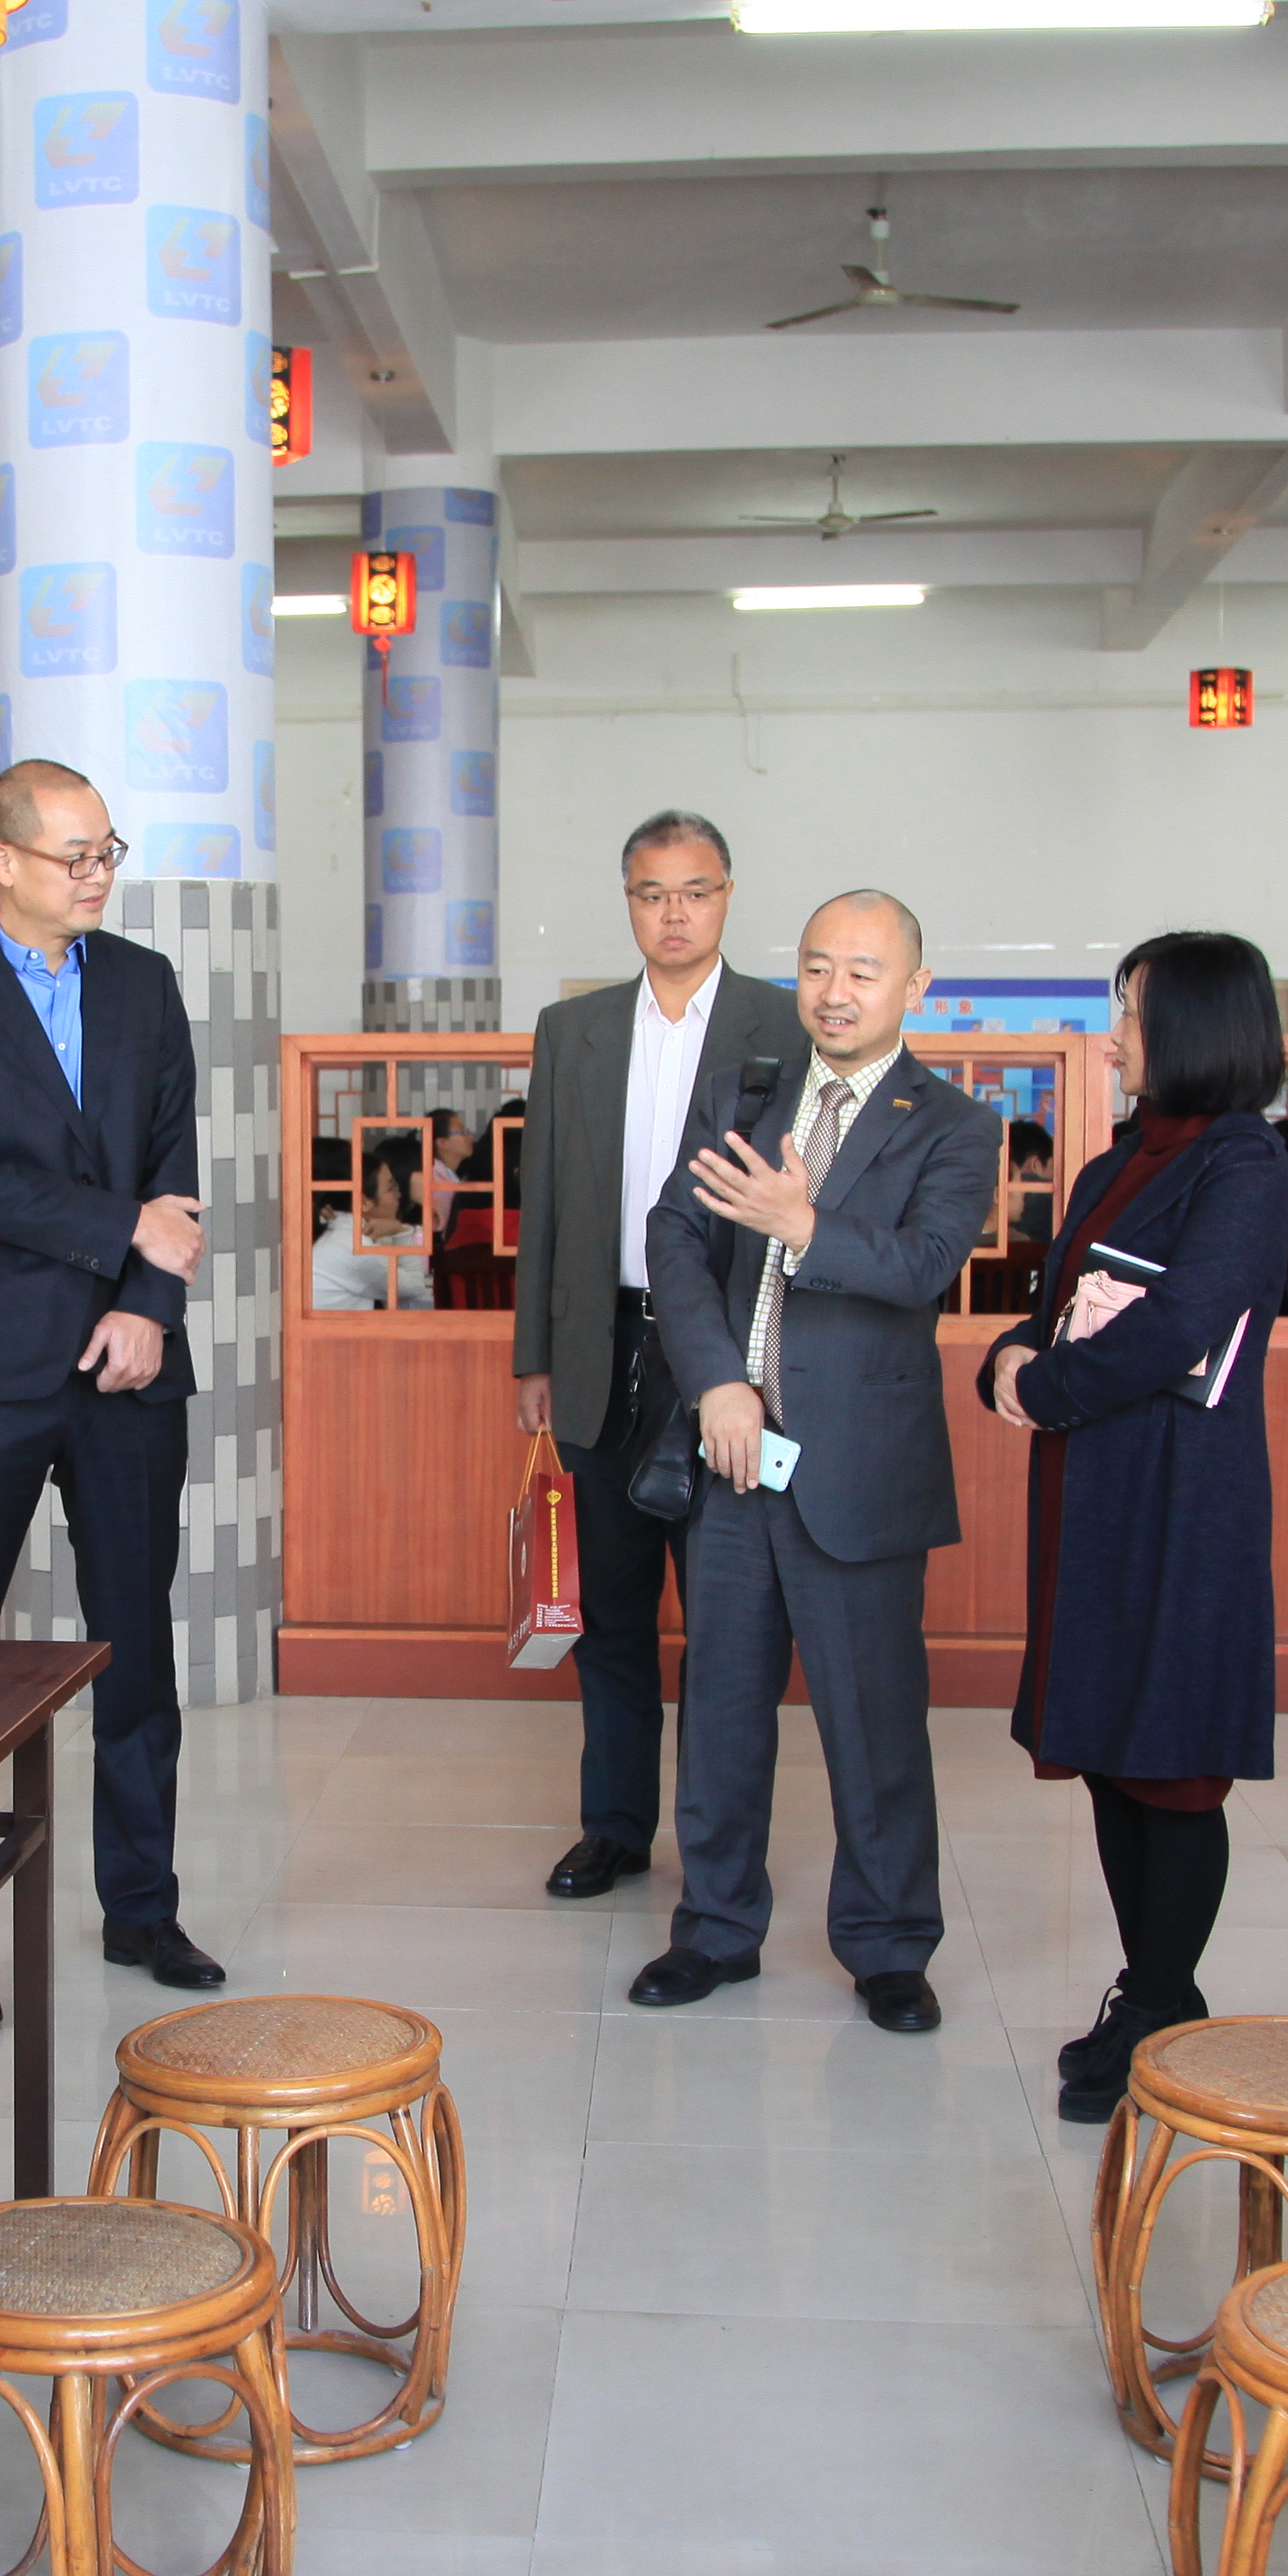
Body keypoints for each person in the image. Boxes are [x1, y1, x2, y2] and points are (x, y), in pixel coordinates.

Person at [0, 756, 226, 2030]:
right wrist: (123, 1229)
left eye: (106, 852)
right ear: (3, 861)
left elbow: (175, 1167)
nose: (97, 876)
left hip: (129, 1360)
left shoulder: (143, 983)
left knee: (134, 1644)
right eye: (74, 856)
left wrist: (147, 1306)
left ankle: (142, 1905)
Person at [634, 890, 1000, 2030]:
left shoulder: (955, 1125)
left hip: (862, 1470)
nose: (835, 994)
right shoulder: (746, 1092)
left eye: (863, 973)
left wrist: (800, 1225)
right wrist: (717, 1382)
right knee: (720, 1712)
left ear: (914, 988)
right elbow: (674, 1236)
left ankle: (889, 1946)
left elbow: (925, 1264)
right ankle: (714, 1928)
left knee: (873, 1723)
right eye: (817, 968)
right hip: (738, 1461)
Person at [984, 929, 1288, 2124]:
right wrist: (1011, 1357)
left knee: (1176, 1764)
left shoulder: (1243, 1165)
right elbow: (1058, 1298)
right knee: (1115, 1745)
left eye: (1128, 1012)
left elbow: (1179, 1327)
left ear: (1194, 1027)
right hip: (1093, 1490)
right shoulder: (1121, 1158)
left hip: (1179, 1497)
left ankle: (1162, 2002)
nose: (1112, 1036)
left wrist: (1043, 1387)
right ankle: (1155, 1993)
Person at [506, 809, 804, 1898]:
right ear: (628, 901)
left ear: (727, 895)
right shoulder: (573, 1029)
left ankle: (720, 1852)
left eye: (695, 891)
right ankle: (616, 1827)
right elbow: (545, 1202)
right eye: (651, 893)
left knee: (728, 1622)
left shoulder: (783, 1024)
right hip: (602, 1349)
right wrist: (535, 1355)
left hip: (725, 1361)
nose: (674, 913)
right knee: (613, 1613)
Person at [306, 1128, 434, 1309]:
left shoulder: (336, 1232)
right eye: (391, 1188)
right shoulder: (354, 1245)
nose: (399, 1194)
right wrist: (401, 1230)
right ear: (364, 1201)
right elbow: (414, 1286)